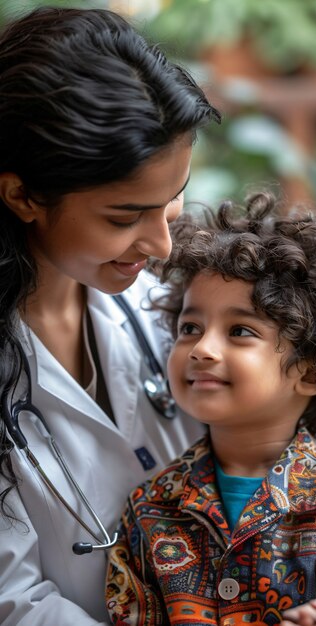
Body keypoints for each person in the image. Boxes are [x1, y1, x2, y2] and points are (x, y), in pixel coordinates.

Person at [0, 6, 221, 626]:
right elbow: (15, 605)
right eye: (124, 217)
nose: (162, 245)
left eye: (172, 197)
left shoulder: (166, 303)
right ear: (21, 195)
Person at [106, 191, 316, 626]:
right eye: (190, 327)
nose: (202, 348)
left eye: (239, 330)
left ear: (313, 372)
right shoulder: (147, 508)